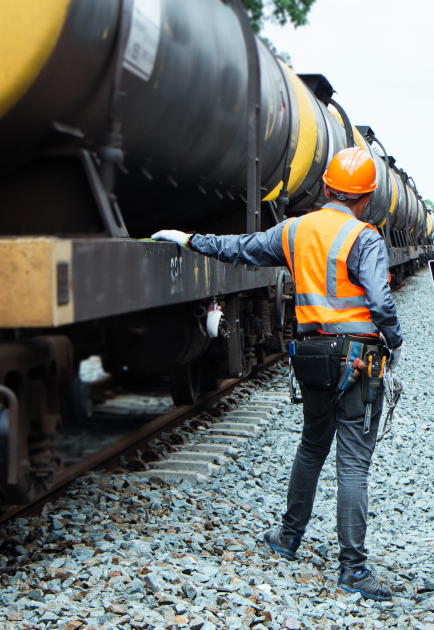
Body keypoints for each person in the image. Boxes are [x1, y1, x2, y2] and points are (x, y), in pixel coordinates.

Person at [151, 147, 403, 601]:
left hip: (312, 357)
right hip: (358, 362)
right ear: (365, 199)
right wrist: (395, 339)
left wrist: (189, 239)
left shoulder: (294, 230)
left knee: (311, 447)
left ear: (325, 188)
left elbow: (239, 249)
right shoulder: (364, 238)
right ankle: (354, 569)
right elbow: (381, 303)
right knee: (353, 462)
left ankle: (288, 537)